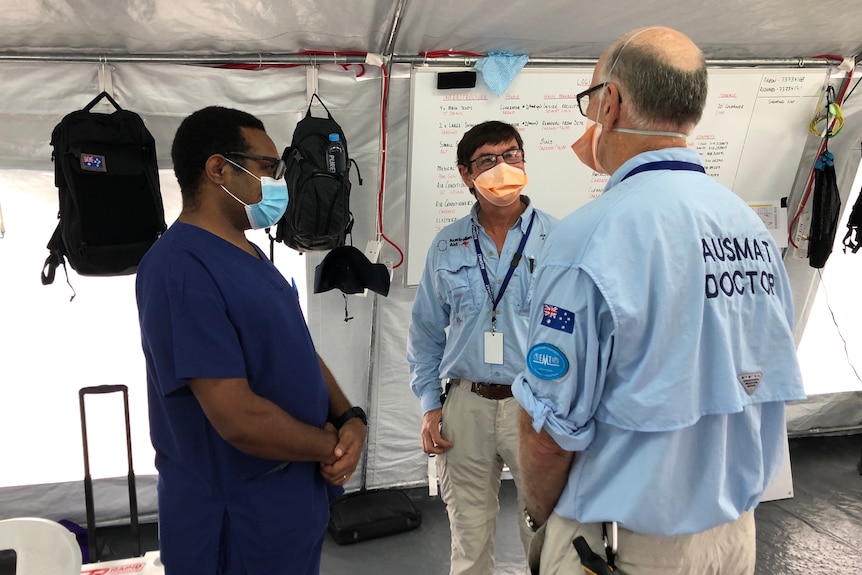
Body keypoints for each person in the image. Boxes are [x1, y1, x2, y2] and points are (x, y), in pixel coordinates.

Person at [513, 27, 807, 575]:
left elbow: (550, 433)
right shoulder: (749, 229)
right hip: (733, 538)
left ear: (610, 103)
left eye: (590, 99)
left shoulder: (588, 238)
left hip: (621, 549)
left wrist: (538, 521)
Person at [136, 106, 367, 574]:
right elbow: (237, 417)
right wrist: (331, 447)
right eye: (267, 168)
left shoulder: (251, 255)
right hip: (235, 521)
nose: (279, 182)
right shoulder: (180, 269)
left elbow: (298, 348)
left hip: (288, 503)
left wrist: (350, 418)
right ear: (219, 168)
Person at [407, 120, 559, 575]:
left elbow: (581, 331)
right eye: (488, 160)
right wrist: (430, 407)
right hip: (465, 405)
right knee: (468, 536)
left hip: (536, 403)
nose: (503, 168)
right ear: (465, 174)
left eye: (512, 155)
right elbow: (426, 332)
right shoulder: (447, 243)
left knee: (546, 531)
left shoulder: (559, 239)